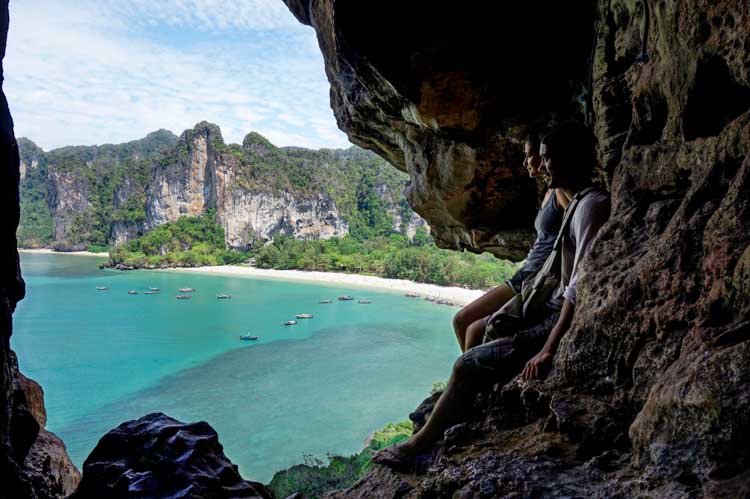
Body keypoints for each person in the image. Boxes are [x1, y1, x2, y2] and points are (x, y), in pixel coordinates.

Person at [372, 121, 611, 471]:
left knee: (466, 359)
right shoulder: (576, 202)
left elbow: (578, 286)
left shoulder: (587, 205)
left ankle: (420, 446)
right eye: (537, 158)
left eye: (545, 158)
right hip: (540, 297)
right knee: (475, 328)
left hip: (547, 309)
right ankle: (465, 403)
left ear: (570, 158)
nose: (539, 166)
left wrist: (547, 349)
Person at [453, 137, 569, 352]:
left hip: (534, 276)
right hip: (528, 271)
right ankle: (474, 375)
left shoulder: (560, 191)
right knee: (469, 326)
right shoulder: (548, 191)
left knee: (463, 321)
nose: (526, 162)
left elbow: (575, 228)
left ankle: (472, 374)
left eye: (530, 155)